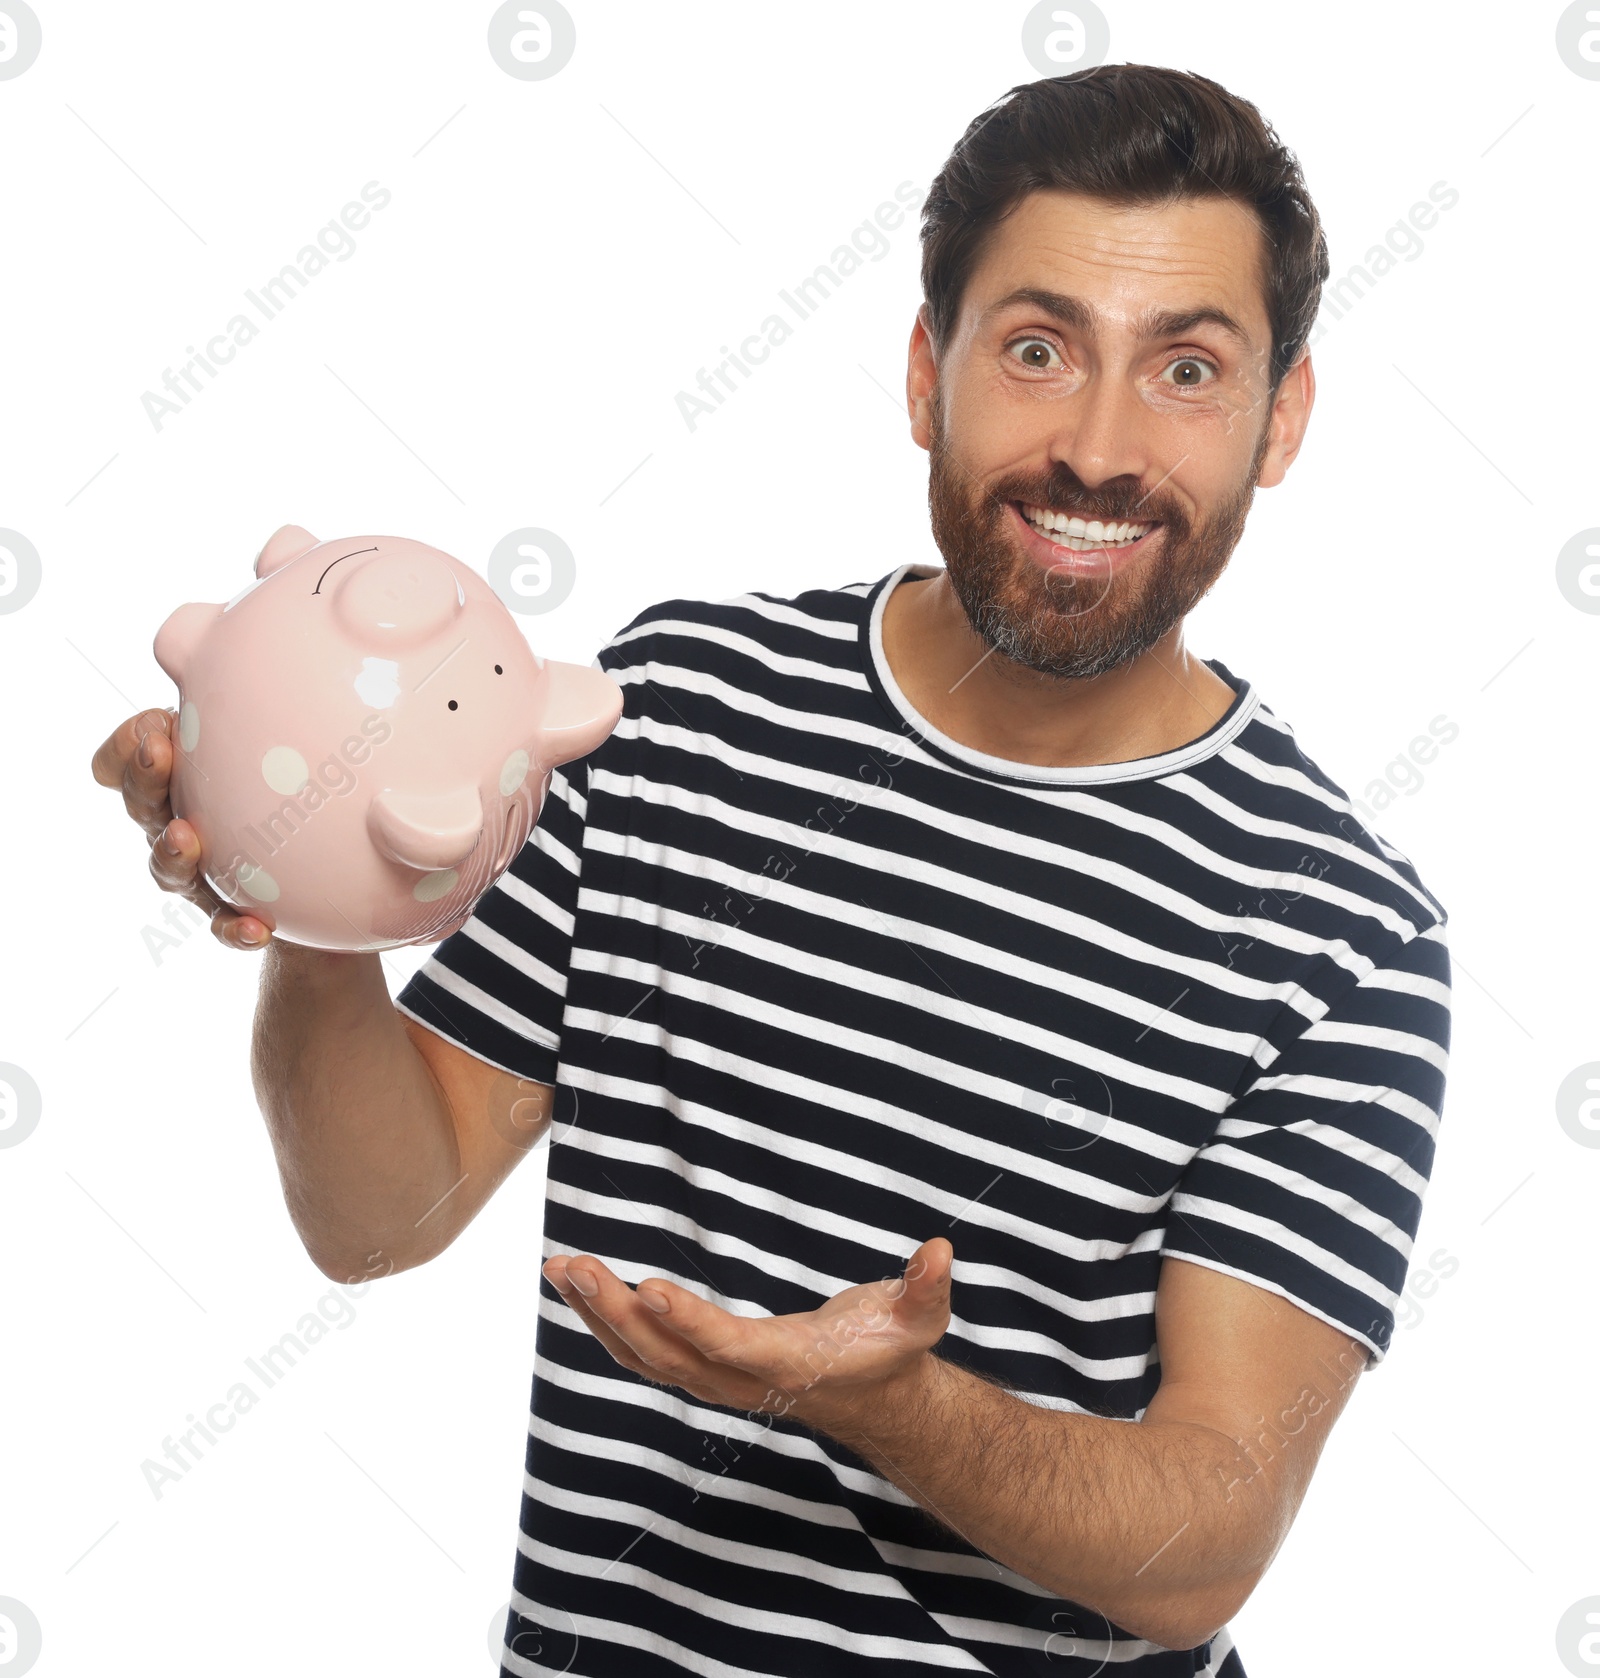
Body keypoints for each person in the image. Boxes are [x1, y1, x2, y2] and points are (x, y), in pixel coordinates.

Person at [94, 64, 1451, 1678]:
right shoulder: (678, 712)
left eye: (1186, 368)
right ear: (923, 373)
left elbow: (1205, 1543)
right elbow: (381, 1215)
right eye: (1037, 349)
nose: (1098, 446)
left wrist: (895, 1406)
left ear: (1281, 417)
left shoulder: (1338, 932)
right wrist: (317, 894)